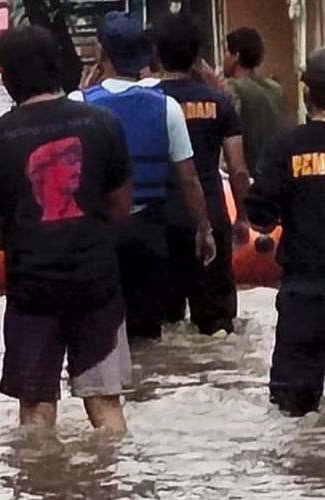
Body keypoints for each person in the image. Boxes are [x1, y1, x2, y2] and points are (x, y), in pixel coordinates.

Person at [0, 25, 133, 433]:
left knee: (36, 413)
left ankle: (41, 490)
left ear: (5, 77)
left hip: (31, 291)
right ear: (59, 66)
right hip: (98, 285)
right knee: (106, 408)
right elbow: (121, 209)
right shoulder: (104, 125)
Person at [70, 12, 215, 339]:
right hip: (148, 234)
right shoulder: (166, 107)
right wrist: (204, 228)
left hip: (97, 236)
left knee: (99, 334)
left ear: (101, 52)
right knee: (148, 331)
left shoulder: (78, 104)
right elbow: (189, 179)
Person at [153, 13, 251, 338]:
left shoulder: (149, 102)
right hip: (210, 218)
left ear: (157, 53)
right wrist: (244, 218)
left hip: (160, 221)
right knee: (218, 329)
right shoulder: (219, 102)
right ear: (198, 56)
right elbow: (237, 169)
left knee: (164, 328)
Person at [245, 48, 325, 416]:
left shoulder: (283, 149)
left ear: (306, 92)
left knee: (293, 413)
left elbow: (260, 216)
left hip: (303, 294)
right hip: (302, 289)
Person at [223, 27, 289, 178]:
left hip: (252, 175)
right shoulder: (275, 89)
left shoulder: (233, 90)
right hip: (279, 172)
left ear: (236, 56)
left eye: (226, 51)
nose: (223, 58)